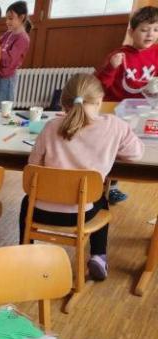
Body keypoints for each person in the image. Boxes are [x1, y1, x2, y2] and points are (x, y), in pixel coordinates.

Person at [22, 74, 143, 281]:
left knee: (27, 201)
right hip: (82, 214)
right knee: (102, 199)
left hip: (41, 212)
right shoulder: (115, 126)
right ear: (100, 100)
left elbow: (33, 167)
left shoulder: (51, 126)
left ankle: (23, 252)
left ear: (63, 103)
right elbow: (135, 154)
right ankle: (98, 256)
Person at [95, 5, 158, 204]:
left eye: (155, 29)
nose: (150, 34)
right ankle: (104, 184)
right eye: (144, 29)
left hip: (142, 113)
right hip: (114, 111)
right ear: (132, 32)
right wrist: (111, 68)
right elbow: (98, 86)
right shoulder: (119, 55)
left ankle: (112, 184)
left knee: (131, 151)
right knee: (111, 150)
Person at [0, 1, 32, 107]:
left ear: (21, 18)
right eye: (6, 18)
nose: (7, 22)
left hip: (7, 79)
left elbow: (9, 61)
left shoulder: (23, 38)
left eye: (10, 18)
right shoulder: (8, 33)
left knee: (2, 110)